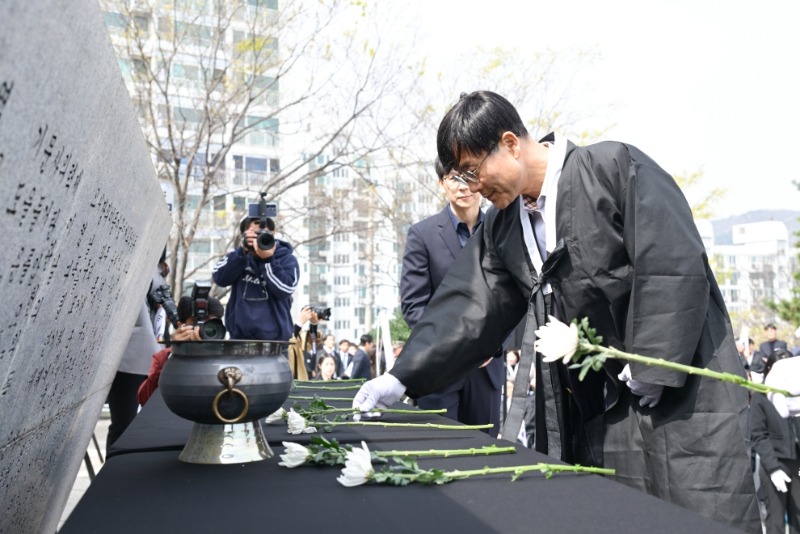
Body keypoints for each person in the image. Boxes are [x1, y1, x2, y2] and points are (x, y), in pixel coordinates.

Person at [353, 90, 759, 532]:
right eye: (461, 176)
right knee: (621, 511)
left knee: (694, 505)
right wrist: (401, 376)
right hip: (602, 402)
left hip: (681, 382)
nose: (472, 188)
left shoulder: (611, 168)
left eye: (473, 170)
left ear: (510, 143)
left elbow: (671, 262)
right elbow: (470, 306)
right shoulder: (503, 225)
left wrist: (654, 362)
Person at [400, 157, 504, 436]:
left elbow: (514, 296)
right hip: (439, 371)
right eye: (453, 178)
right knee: (440, 457)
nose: (463, 186)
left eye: (469, 176)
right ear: (441, 183)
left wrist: (490, 345)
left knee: (486, 460)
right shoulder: (422, 235)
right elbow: (413, 307)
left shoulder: (503, 229)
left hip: (486, 372)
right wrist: (461, 346)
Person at [212, 214, 298, 341]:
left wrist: (268, 260)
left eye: (264, 234)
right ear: (244, 236)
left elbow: (285, 289)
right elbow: (219, 278)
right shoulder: (238, 256)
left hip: (276, 342)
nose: (259, 238)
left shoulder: (286, 259)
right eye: (255, 234)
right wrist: (242, 252)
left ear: (273, 233)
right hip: (239, 339)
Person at [136, 296, 225, 406]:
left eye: (210, 324)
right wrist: (175, 353)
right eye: (197, 322)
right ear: (181, 326)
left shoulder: (228, 355)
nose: (202, 330)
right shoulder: (164, 356)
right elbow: (145, 399)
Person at [750, 349, 800, 534]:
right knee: (776, 520)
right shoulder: (761, 397)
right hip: (775, 462)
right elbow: (759, 434)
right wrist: (773, 468)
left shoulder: (795, 393)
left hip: (797, 461)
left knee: (798, 517)